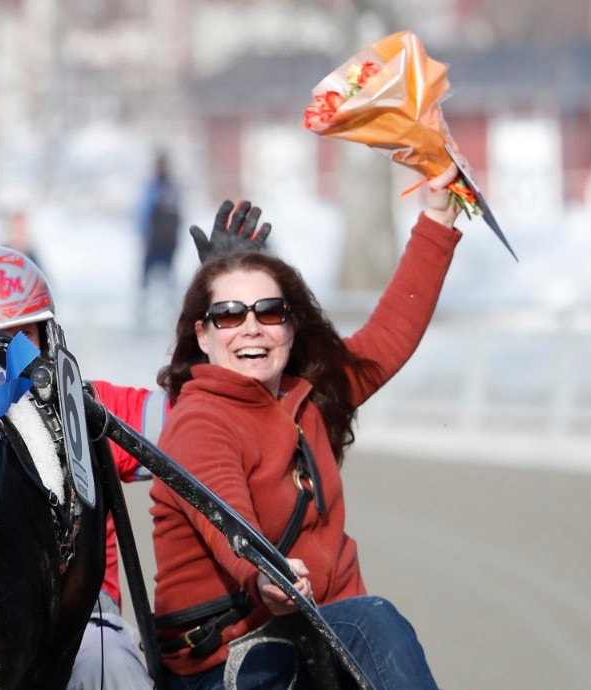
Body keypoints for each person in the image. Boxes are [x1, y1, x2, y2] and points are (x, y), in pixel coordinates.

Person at [149, 164, 465, 690]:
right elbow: (230, 526)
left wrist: (437, 217)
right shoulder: (199, 422)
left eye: (269, 311)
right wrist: (265, 578)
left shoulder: (307, 397)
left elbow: (391, 333)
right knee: (374, 620)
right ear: (201, 335)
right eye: (228, 315)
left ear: (291, 328)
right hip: (228, 659)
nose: (251, 326)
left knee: (367, 625)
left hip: (319, 635)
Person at [0, 245, 162, 690]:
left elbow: (200, 426)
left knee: (110, 669)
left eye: (20, 338)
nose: (4, 361)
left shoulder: (87, 408)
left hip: (83, 622)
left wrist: (221, 328)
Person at [138, 151, 183, 315]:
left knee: (147, 279)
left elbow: (143, 212)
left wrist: (144, 235)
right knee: (167, 278)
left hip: (156, 240)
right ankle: (170, 311)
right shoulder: (172, 188)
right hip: (168, 240)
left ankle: (144, 313)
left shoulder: (155, 187)